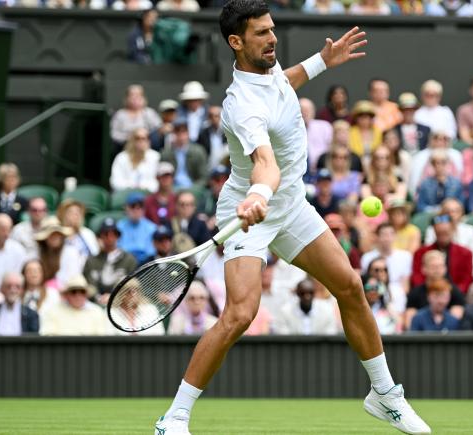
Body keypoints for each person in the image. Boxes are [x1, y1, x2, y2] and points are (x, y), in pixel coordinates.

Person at [155, 3, 431, 434]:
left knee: (350, 286)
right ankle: (173, 418)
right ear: (236, 42)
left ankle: (384, 396)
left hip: (290, 206)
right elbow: (265, 163)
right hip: (250, 210)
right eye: (261, 33)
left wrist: (324, 60)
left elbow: (286, 83)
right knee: (240, 314)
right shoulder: (241, 105)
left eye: (272, 29)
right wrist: (259, 194)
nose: (272, 38)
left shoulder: (268, 70)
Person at [412, 215, 473, 293]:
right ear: (434, 232)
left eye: (446, 233)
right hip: (426, 294)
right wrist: (427, 293)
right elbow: (417, 277)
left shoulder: (465, 253)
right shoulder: (421, 253)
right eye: (439, 233)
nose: (443, 237)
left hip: (456, 295)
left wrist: (453, 295)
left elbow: (466, 279)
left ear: (453, 230)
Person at [83, 218, 137, 306]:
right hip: (95, 304)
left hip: (122, 305)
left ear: (118, 236)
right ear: (100, 236)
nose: (109, 237)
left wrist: (115, 297)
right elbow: (89, 285)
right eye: (106, 234)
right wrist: (98, 297)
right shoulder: (91, 261)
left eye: (113, 234)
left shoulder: (129, 259)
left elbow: (133, 285)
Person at [360, 223, 412, 314]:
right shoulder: (367, 257)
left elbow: (405, 285)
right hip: (373, 293)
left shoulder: (406, 256)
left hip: (397, 295)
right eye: (384, 234)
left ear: (395, 236)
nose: (387, 238)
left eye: (390, 234)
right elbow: (366, 281)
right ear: (377, 237)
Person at [39, 275, 108, 336]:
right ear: (66, 295)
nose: (78, 295)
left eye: (82, 291)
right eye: (73, 291)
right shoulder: (53, 312)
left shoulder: (97, 312)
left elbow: (101, 339)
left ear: (86, 294)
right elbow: (47, 336)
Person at [273, 278, 338, 335]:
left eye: (310, 293)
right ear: (297, 294)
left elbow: (330, 335)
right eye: (302, 293)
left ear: (314, 293)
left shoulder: (327, 311)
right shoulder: (285, 312)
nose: (307, 297)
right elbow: (283, 337)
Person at [160, 118, 209, 190]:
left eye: (183, 131)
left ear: (188, 133)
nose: (181, 135)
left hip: (193, 188)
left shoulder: (198, 151)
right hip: (172, 189)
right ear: (173, 134)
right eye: (177, 131)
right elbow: (162, 175)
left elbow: (204, 177)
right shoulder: (166, 153)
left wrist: (194, 188)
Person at [110, 127, 161, 192]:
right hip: (125, 195)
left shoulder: (155, 157)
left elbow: (157, 181)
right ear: (132, 140)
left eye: (144, 138)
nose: (141, 141)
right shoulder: (121, 157)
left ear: (148, 140)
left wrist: (142, 187)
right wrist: (132, 187)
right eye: (137, 138)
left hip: (148, 195)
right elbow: (115, 181)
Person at [35, 216, 82, 287]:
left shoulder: (71, 252)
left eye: (57, 234)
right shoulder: (38, 253)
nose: (55, 237)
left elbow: (72, 278)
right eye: (51, 235)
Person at [416, 149, 463, 213]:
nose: (440, 166)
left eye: (443, 162)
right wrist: (436, 210)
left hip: (451, 216)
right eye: (436, 163)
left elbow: (461, 204)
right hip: (431, 217)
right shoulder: (425, 184)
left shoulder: (456, 183)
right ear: (433, 165)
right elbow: (420, 206)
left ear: (447, 163)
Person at [118, 193, 158, 264]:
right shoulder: (119, 226)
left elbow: (151, 253)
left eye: (140, 206)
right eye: (133, 206)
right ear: (126, 208)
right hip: (123, 264)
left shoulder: (152, 228)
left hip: (145, 265)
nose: (136, 210)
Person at [300, 98, 333, 171]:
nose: (305, 113)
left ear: (313, 111)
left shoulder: (324, 126)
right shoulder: (289, 130)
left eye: (308, 110)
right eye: (302, 110)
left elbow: (331, 149)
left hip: (322, 168)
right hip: (299, 170)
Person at [197, 106, 229, 171]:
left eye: (216, 116)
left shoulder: (227, 132)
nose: (214, 118)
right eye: (211, 116)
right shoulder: (203, 134)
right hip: (208, 167)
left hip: (225, 168)